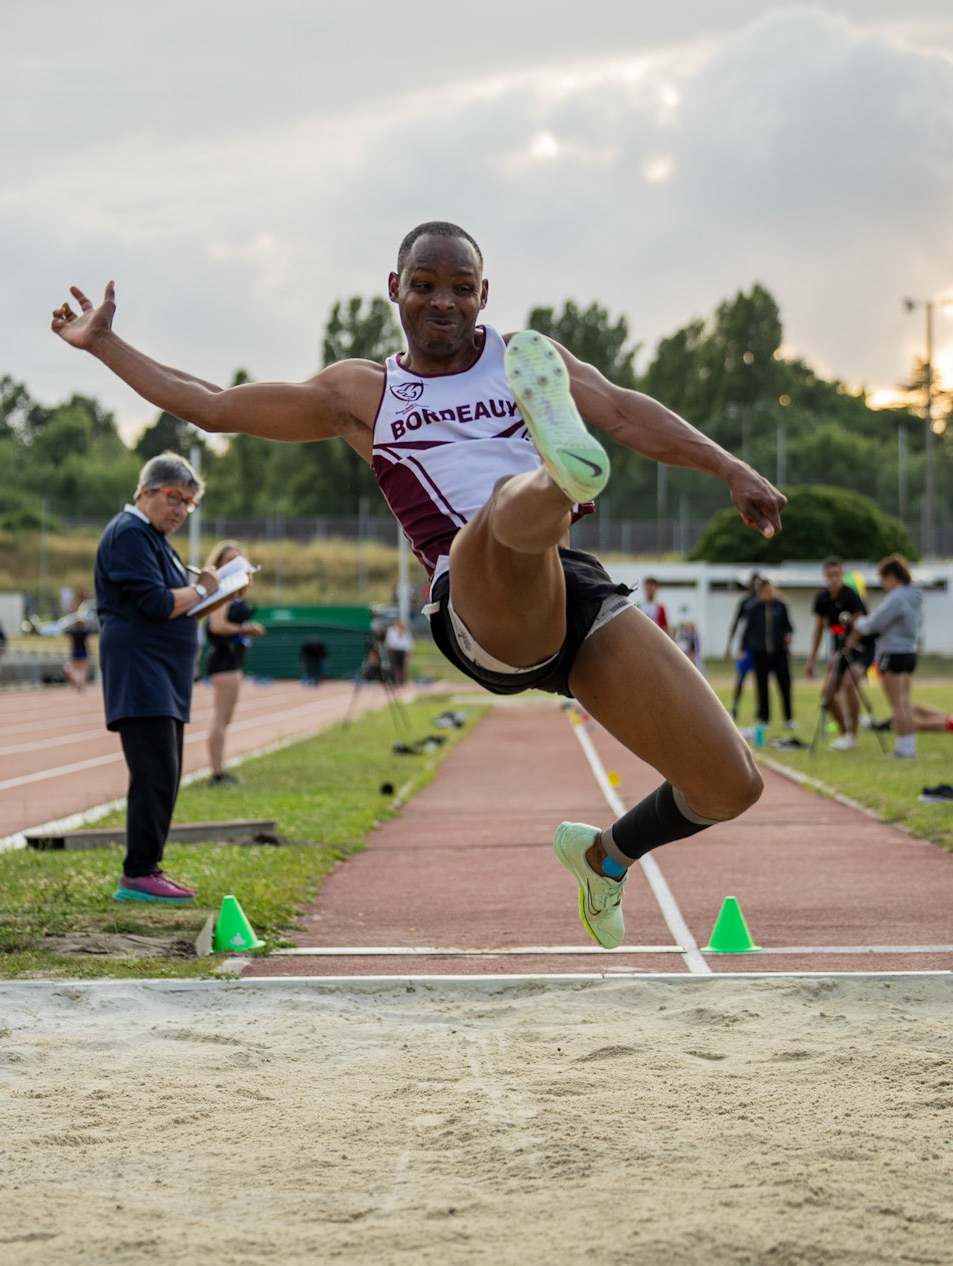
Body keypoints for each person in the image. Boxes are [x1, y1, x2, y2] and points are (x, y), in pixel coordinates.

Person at [52, 221, 782, 952]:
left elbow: (625, 412)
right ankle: (558, 476)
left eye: (461, 289)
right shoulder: (362, 391)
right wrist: (104, 342)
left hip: (567, 592)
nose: (443, 302)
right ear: (394, 289)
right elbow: (208, 404)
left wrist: (729, 467)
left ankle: (603, 857)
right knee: (502, 512)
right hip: (469, 603)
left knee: (727, 784)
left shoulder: (524, 357)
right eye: (424, 285)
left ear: (483, 295)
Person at [93, 453, 219, 903]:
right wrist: (203, 589)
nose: (181, 510)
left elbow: (175, 602)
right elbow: (156, 603)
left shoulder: (152, 537)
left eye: (188, 503)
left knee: (165, 770)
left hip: (162, 672)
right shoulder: (129, 534)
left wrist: (215, 594)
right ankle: (138, 872)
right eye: (174, 498)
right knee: (154, 771)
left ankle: (148, 867)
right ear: (146, 491)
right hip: (140, 668)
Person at [847, 555, 923, 760]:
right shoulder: (913, 595)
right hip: (909, 651)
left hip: (893, 652)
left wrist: (858, 623)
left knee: (897, 703)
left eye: (883, 579)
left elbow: (876, 622)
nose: (882, 584)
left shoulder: (897, 597)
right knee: (905, 701)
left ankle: (903, 749)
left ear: (890, 576)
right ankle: (909, 746)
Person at [200, 541, 264, 783]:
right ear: (218, 564)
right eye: (228, 560)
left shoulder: (233, 590)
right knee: (220, 717)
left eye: (238, 559)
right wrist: (247, 630)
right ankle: (217, 773)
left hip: (231, 658)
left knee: (225, 719)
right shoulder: (222, 591)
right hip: (224, 658)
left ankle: (219, 769)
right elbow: (217, 625)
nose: (233, 564)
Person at [804, 557, 867, 750]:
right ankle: (844, 733)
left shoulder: (851, 596)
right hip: (839, 650)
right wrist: (812, 660)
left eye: (837, 574)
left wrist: (844, 651)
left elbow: (860, 628)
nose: (834, 579)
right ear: (825, 576)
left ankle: (853, 735)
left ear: (842, 575)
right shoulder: (822, 599)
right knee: (827, 693)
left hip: (860, 649)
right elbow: (818, 631)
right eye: (830, 575)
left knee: (849, 684)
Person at [745, 577, 794, 731]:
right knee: (762, 686)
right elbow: (748, 630)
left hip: (779, 652)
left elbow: (789, 626)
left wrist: (788, 634)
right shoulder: (753, 608)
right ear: (760, 592)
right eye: (766, 591)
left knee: (785, 685)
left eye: (771, 590)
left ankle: (788, 719)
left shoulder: (781, 606)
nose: (769, 593)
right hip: (760, 653)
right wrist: (743, 648)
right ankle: (764, 718)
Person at [723, 574, 765, 724]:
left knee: (761, 681)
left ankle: (761, 712)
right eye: (752, 583)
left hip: (761, 648)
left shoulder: (765, 601)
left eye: (758, 584)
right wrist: (729, 645)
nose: (754, 586)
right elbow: (736, 623)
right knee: (741, 678)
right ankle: (734, 708)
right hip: (746, 647)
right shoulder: (745, 602)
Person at [63, 611, 95, 693]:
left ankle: (76, 681)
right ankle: (81, 684)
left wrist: (70, 652)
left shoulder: (73, 633)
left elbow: (71, 643)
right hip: (83, 652)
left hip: (75, 652)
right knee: (83, 670)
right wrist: (91, 651)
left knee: (75, 669)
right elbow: (88, 643)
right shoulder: (85, 632)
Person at [384, 614, 414, 686]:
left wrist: (408, 651)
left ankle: (402, 681)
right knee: (394, 666)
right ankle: (395, 680)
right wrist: (389, 648)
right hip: (394, 650)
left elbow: (408, 642)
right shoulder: (391, 630)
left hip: (402, 651)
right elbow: (389, 641)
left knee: (402, 667)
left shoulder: (405, 630)